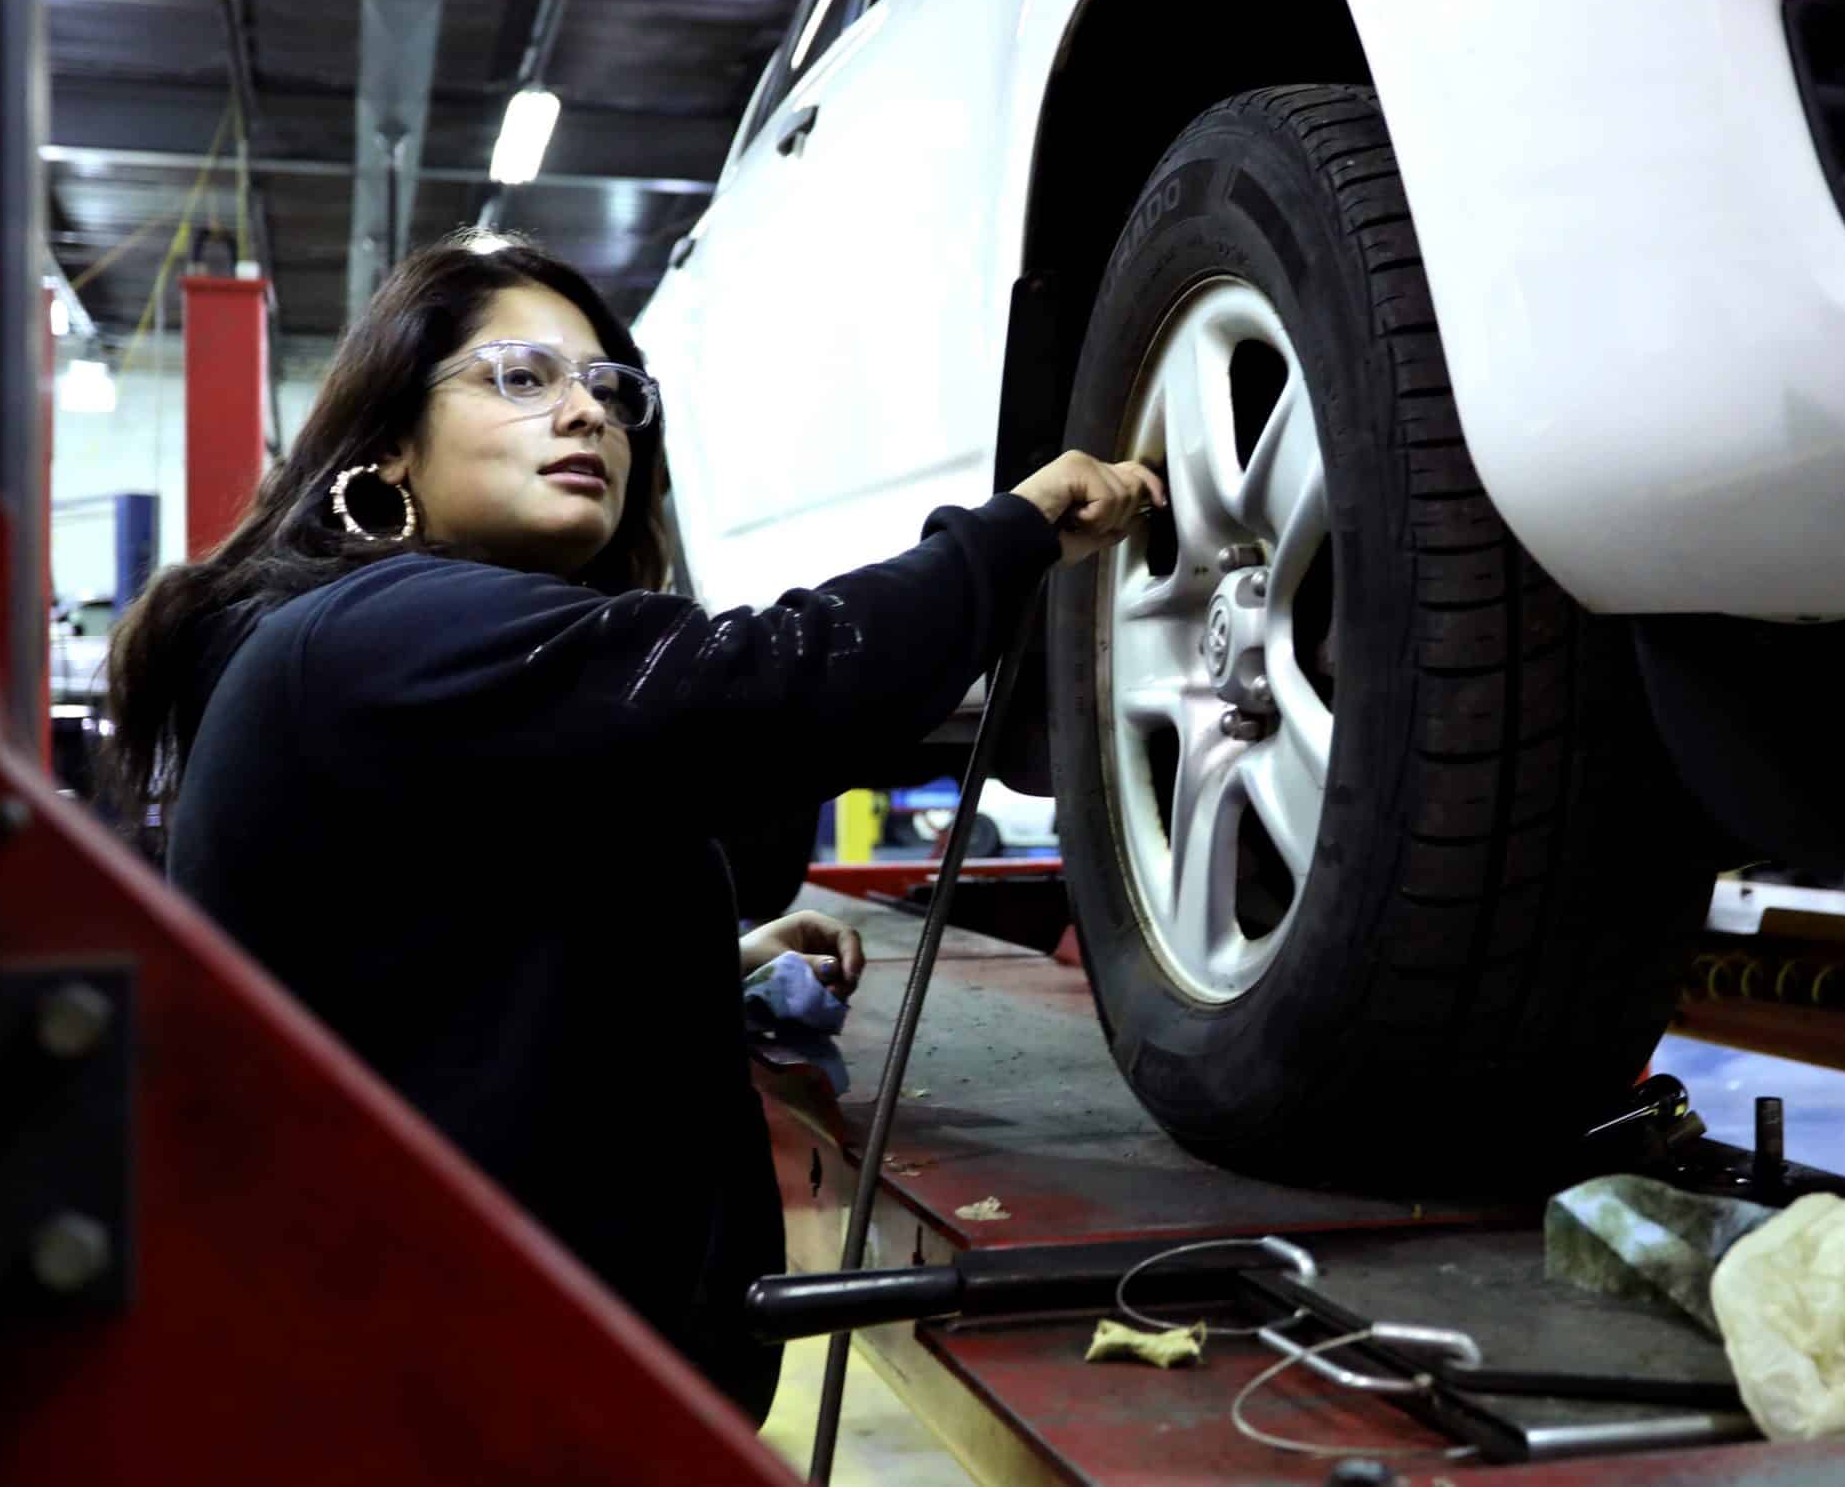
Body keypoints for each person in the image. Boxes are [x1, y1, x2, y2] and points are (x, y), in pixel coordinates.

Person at [101, 228, 1163, 1422]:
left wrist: (693, 962)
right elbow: (773, 687)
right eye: (521, 377)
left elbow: (441, 961)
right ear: (390, 444)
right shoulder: (376, 635)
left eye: (610, 388)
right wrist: (1013, 534)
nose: (587, 414)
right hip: (444, 1402)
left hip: (451, 1371)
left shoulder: (398, 656)